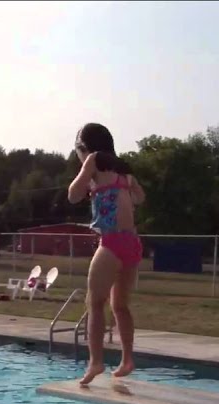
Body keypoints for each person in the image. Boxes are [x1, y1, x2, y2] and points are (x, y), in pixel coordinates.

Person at [67, 122, 146, 385]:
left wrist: (85, 176)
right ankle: (127, 360)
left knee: (95, 303)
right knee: (120, 305)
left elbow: (72, 195)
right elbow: (140, 199)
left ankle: (96, 362)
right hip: (132, 243)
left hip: (111, 243)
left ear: (84, 147)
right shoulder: (124, 172)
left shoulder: (91, 161)